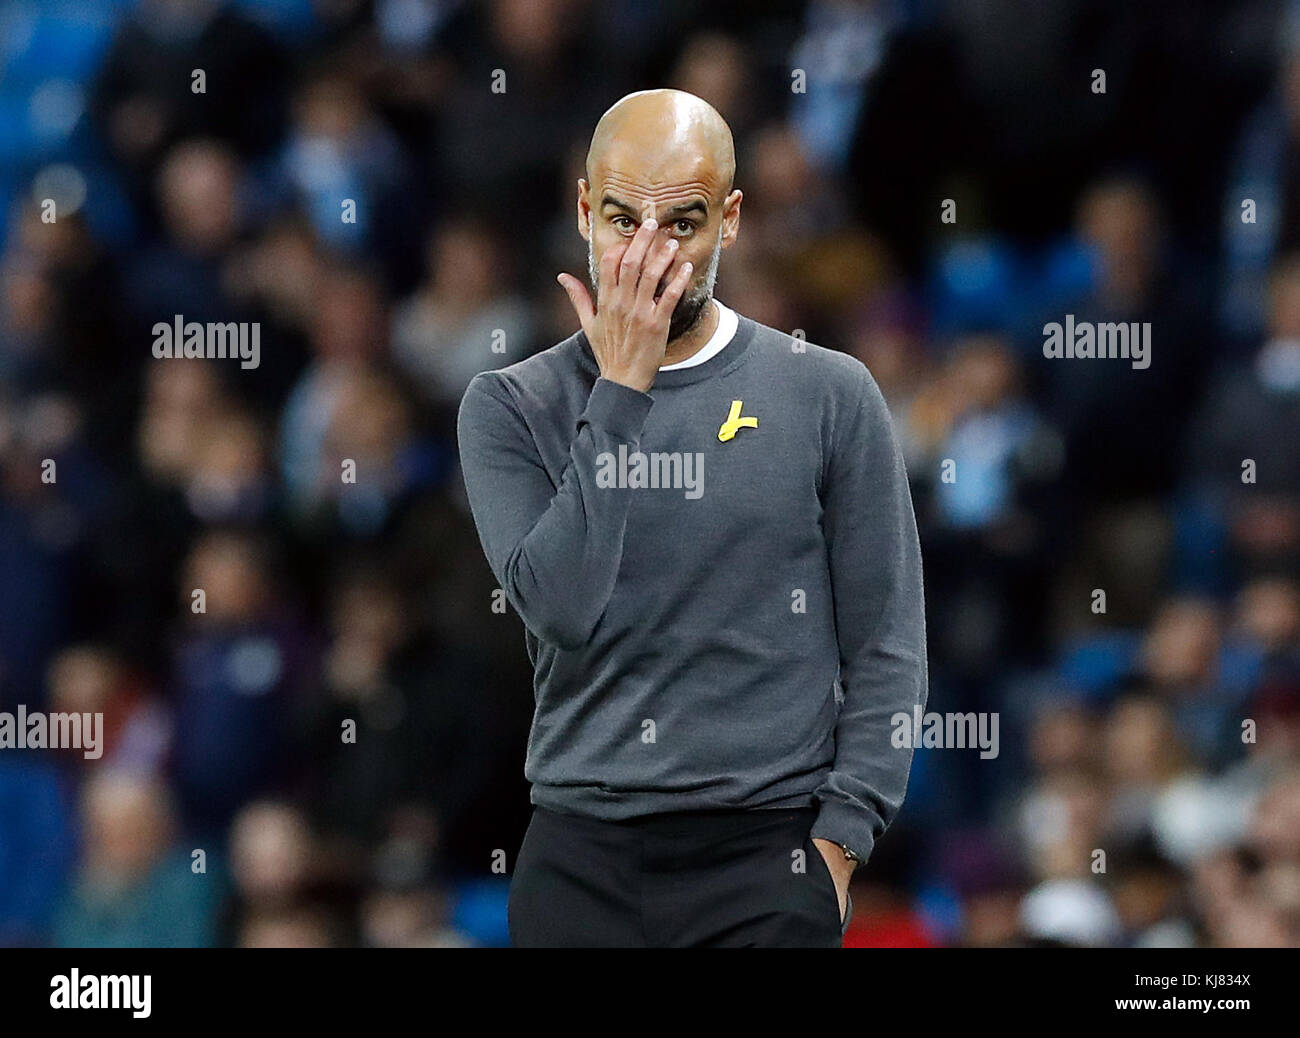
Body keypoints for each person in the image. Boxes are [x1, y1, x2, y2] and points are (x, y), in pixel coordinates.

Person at [456, 89, 927, 947]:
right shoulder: (510, 406)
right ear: (581, 210)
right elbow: (562, 608)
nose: (646, 253)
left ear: (733, 221)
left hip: (767, 858)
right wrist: (622, 392)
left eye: (683, 223)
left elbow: (887, 643)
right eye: (621, 218)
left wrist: (840, 843)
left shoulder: (828, 392)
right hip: (580, 856)